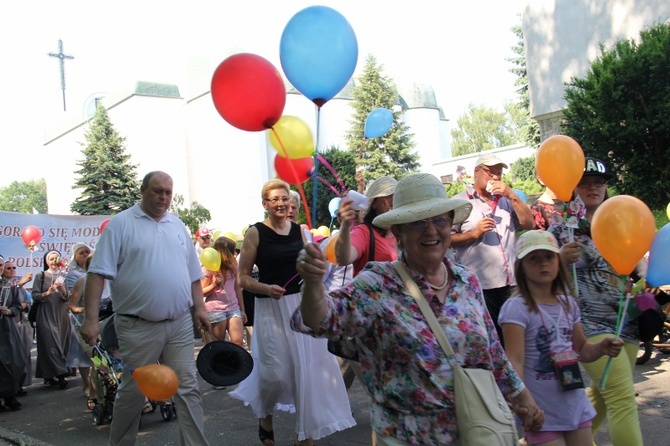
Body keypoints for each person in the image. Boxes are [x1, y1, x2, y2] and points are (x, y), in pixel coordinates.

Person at [292, 173, 544, 445]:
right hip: (409, 437)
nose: (431, 230)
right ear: (398, 231)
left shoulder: (466, 280)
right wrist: (314, 283)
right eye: (417, 223)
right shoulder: (379, 283)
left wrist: (522, 396)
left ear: (450, 224)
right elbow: (319, 319)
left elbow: (493, 351)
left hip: (475, 430)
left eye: (439, 219)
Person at [80, 171, 211, 446]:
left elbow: (192, 274)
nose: (163, 197)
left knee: (187, 388)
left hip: (179, 324)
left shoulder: (177, 225)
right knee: (134, 392)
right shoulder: (121, 225)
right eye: (157, 191)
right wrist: (90, 321)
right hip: (137, 326)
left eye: (168, 192)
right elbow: (97, 274)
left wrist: (200, 308)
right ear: (142, 191)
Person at [231, 178, 354, 446]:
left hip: (300, 305)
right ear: (265, 204)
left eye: (284, 198)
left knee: (306, 371)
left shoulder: (301, 231)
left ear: (290, 202)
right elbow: (241, 278)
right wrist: (264, 288)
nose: (280, 203)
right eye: (274, 199)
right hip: (270, 308)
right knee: (274, 374)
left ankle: (305, 435)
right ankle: (265, 415)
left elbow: (317, 262)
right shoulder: (255, 233)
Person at [549, 157, 643, 445]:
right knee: (621, 397)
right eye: (585, 183)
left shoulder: (623, 220)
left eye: (599, 183)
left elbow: (636, 265)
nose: (593, 188)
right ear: (573, 188)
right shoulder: (562, 229)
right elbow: (539, 277)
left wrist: (643, 280)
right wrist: (561, 261)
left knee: (603, 397)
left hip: (624, 320)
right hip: (588, 324)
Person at [499, 230, 623, 445]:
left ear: (558, 260)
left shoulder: (568, 303)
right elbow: (514, 362)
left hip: (575, 406)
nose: (543, 264)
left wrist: (601, 347)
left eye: (549, 256)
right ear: (521, 266)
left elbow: (582, 349)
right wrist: (520, 402)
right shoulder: (516, 308)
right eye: (534, 258)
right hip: (542, 413)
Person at [451, 153, 535, 344]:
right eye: (490, 172)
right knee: (490, 340)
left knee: (515, 338)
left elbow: (529, 224)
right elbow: (444, 239)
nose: (495, 177)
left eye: (499, 173)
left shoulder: (506, 201)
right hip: (480, 286)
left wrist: (512, 195)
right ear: (476, 172)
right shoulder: (459, 202)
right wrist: (473, 234)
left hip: (511, 283)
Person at [334, 175, 398, 276]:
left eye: (396, 195)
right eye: (387, 195)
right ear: (374, 204)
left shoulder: (404, 230)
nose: (392, 199)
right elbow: (343, 258)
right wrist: (345, 227)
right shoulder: (365, 232)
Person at [32, 250, 71, 389]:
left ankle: (48, 375)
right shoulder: (41, 276)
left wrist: (63, 291)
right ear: (46, 261)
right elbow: (35, 296)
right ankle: (61, 375)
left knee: (59, 343)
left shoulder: (62, 276)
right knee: (51, 343)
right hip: (46, 313)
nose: (54, 261)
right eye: (51, 259)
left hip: (61, 314)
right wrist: (47, 293)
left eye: (56, 258)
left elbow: (67, 298)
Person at [200, 236, 246, 347]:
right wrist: (214, 285)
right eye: (232, 250)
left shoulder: (234, 264)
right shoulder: (209, 266)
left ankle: (236, 364)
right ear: (225, 251)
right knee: (218, 345)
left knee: (238, 342)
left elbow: (237, 288)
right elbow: (202, 291)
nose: (235, 253)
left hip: (233, 308)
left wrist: (242, 310)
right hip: (216, 309)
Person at [64, 243, 94, 400]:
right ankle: (87, 384)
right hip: (83, 320)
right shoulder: (74, 276)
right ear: (75, 256)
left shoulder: (102, 276)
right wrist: (84, 309)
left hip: (101, 319)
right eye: (81, 252)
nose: (85, 254)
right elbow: (72, 301)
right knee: (84, 355)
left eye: (87, 252)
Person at [1, 260, 32, 395]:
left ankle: (11, 391)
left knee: (14, 359)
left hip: (7, 326)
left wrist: (9, 311)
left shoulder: (10, 286)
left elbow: (16, 304)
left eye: (1, 265)